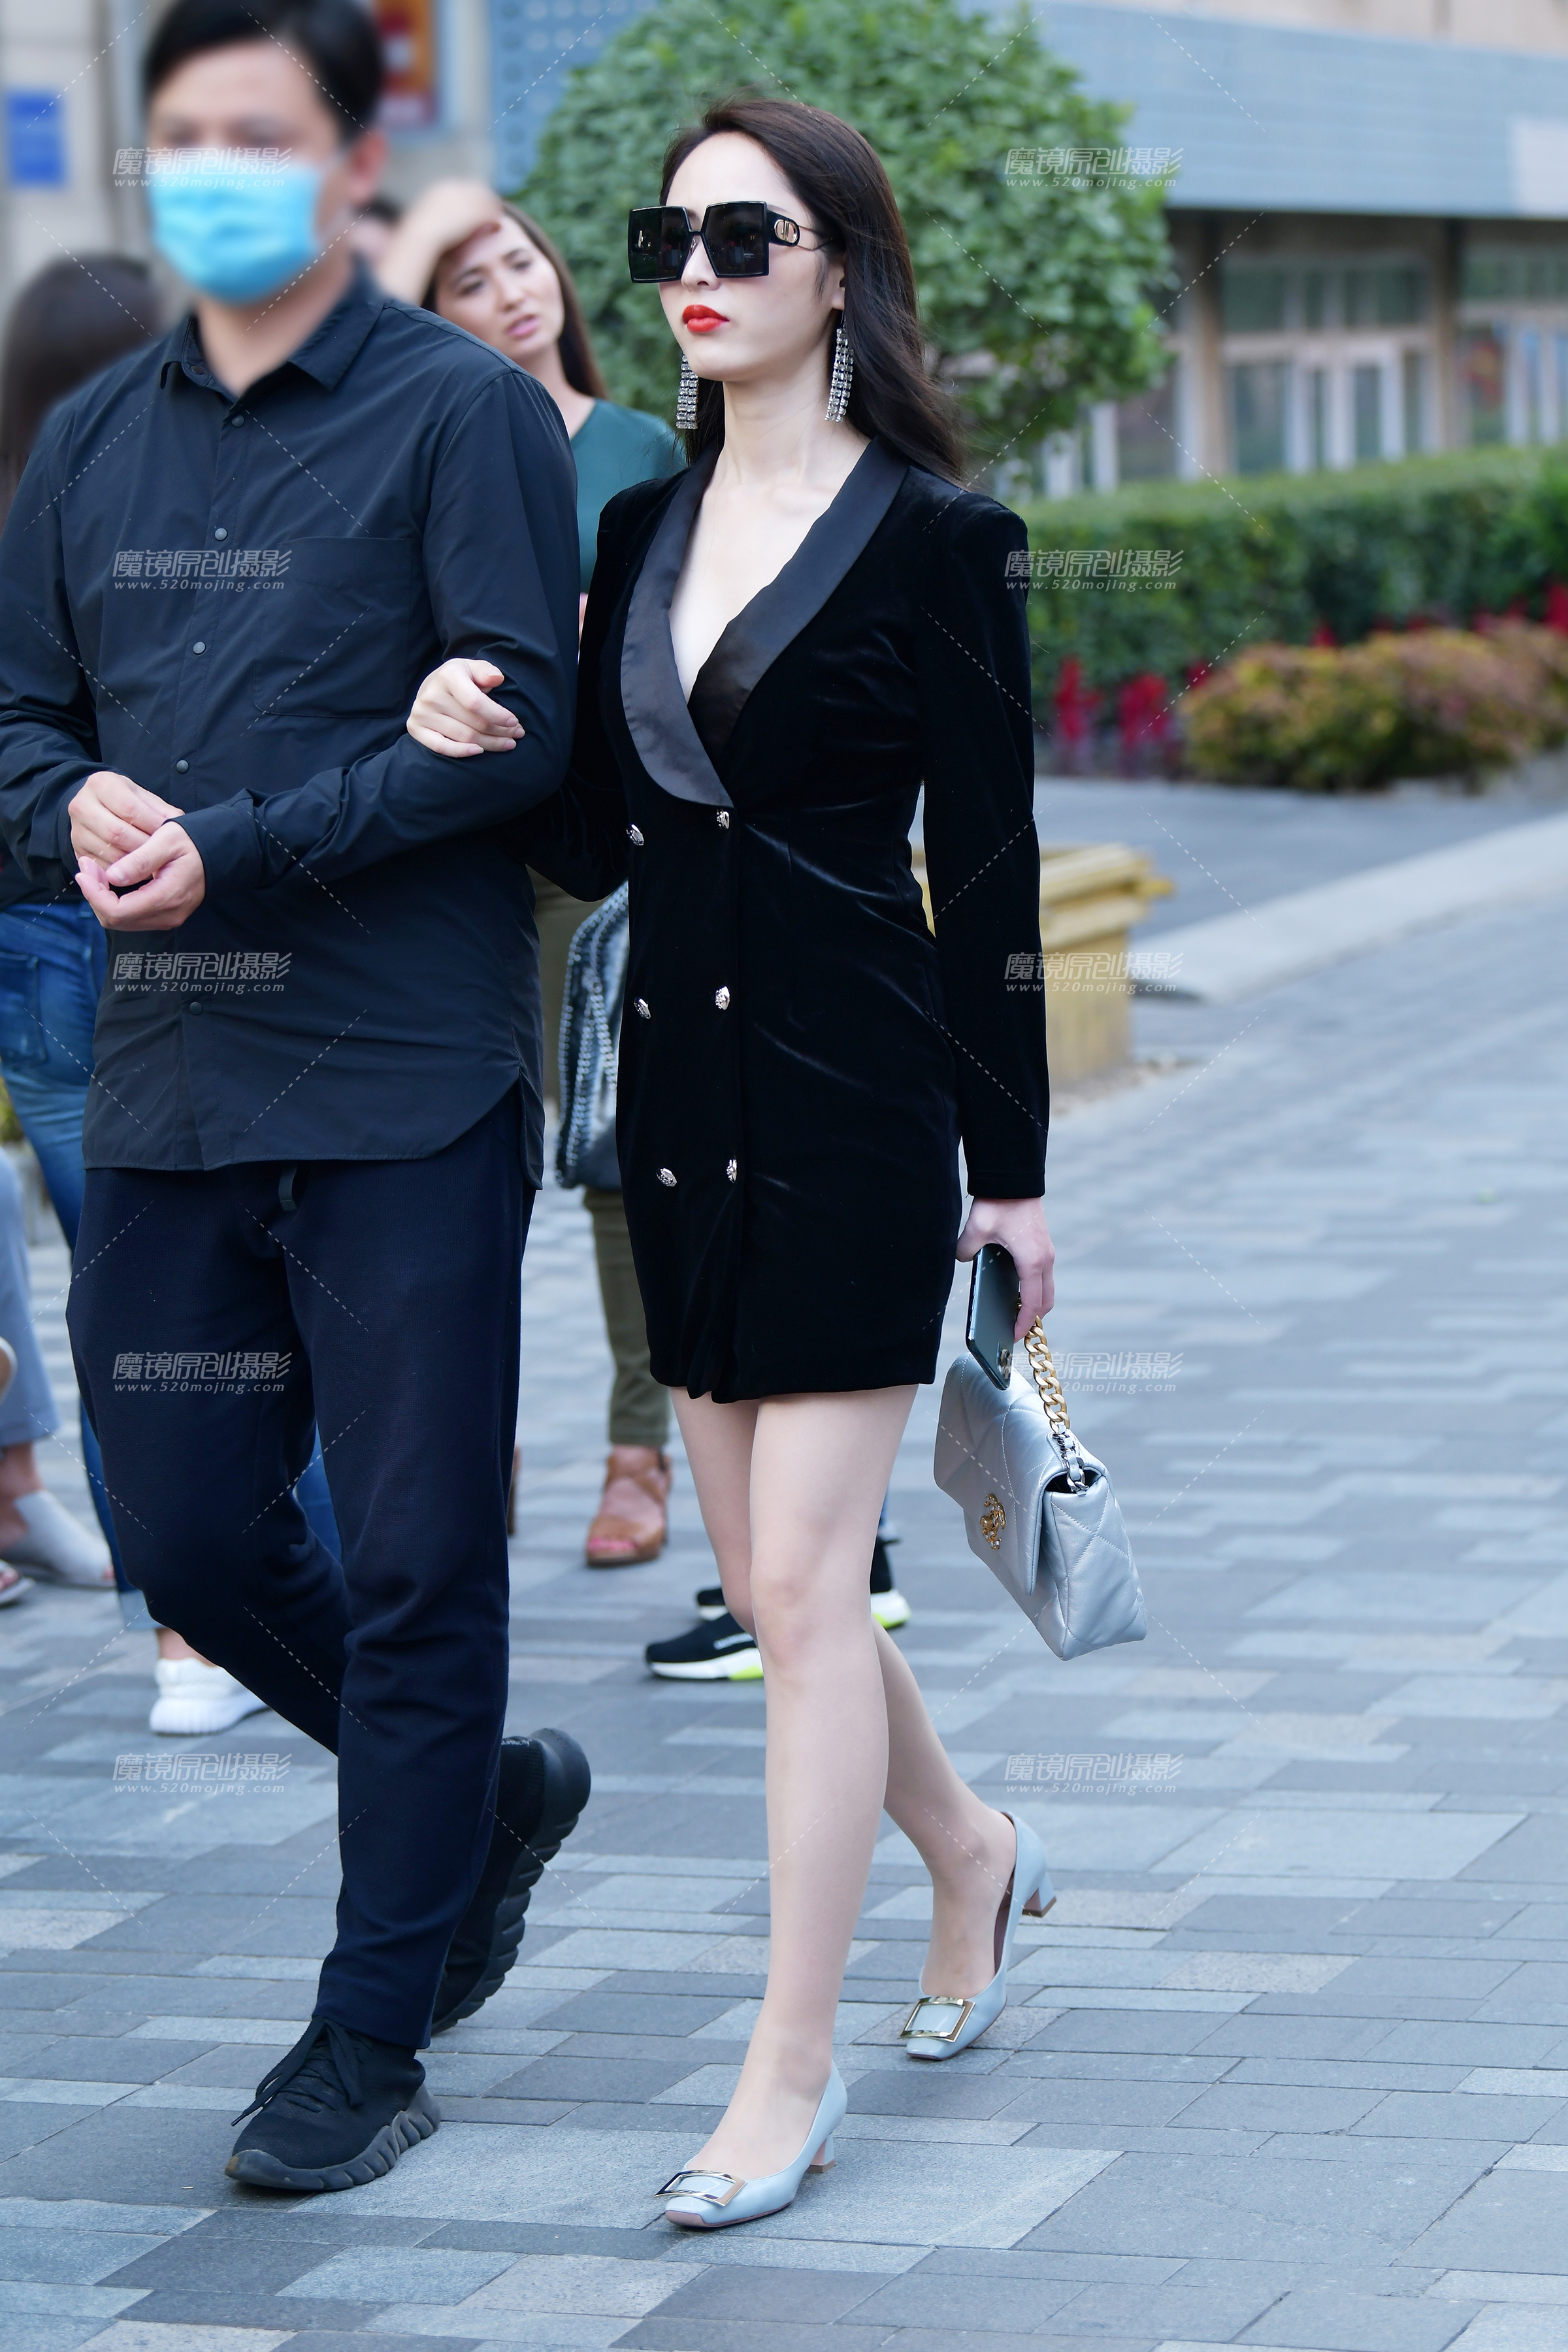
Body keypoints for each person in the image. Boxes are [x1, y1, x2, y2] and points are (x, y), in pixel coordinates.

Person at [406, 94, 1055, 2229]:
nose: (693, 267)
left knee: (797, 1591)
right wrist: (481, 739)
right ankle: (971, 1849)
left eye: (743, 234)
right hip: (674, 1113)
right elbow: (605, 837)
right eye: (666, 234)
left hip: (862, 1106)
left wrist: (1015, 1173)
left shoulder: (945, 540)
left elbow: (996, 873)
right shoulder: (637, 528)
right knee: (791, 1595)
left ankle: (789, 2066)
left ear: (840, 267)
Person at [0, 0, 589, 2195]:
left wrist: (232, 849)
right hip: (172, 1080)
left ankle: (369, 2030)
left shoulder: (462, 415)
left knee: (420, 1559)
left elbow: (518, 736)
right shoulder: (92, 443)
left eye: (259, 133)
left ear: (352, 164)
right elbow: (15, 718)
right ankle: (480, 1802)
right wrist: (63, 806)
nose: (212, 170)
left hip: (405, 1080)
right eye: (182, 135)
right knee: (181, 1530)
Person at [0, 248, 309, 1733]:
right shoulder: (171, 505)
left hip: (29, 947)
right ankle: (276, 1610)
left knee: (117, 1295)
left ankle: (180, 1632)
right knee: (261, 1272)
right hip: (163, 925)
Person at [377, 182, 685, 1567]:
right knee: (461, 1161)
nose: (511, 292)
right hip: (443, 844)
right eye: (468, 281)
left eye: (520, 261)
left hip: (589, 839)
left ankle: (637, 1452)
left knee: (613, 1144)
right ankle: (470, 1451)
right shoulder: (413, 444)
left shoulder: (634, 445)